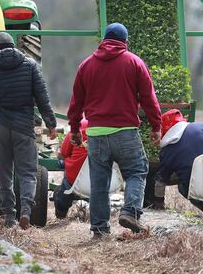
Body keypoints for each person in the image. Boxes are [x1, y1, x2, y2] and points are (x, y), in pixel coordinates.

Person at [67, 23, 162, 237]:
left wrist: (74, 128)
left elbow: (76, 102)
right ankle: (130, 211)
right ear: (125, 42)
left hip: (96, 134)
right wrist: (156, 125)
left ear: (104, 40)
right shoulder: (134, 62)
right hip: (125, 131)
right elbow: (149, 98)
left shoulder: (86, 65)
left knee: (99, 182)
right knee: (137, 170)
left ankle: (99, 229)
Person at [0, 32, 57, 229]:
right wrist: (51, 124)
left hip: (1, 127)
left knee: (4, 175)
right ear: (14, 45)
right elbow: (42, 98)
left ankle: (10, 217)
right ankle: (26, 211)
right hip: (24, 127)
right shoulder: (30, 66)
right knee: (27, 173)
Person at [154, 109, 203, 212]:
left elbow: (160, 181)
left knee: (183, 186)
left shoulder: (167, 151)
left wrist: (159, 202)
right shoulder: (199, 126)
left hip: (198, 189)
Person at [53, 119, 89, 219]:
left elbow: (64, 153)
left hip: (74, 179)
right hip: (100, 180)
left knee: (67, 186)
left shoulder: (81, 125)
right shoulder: (113, 127)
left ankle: (61, 210)